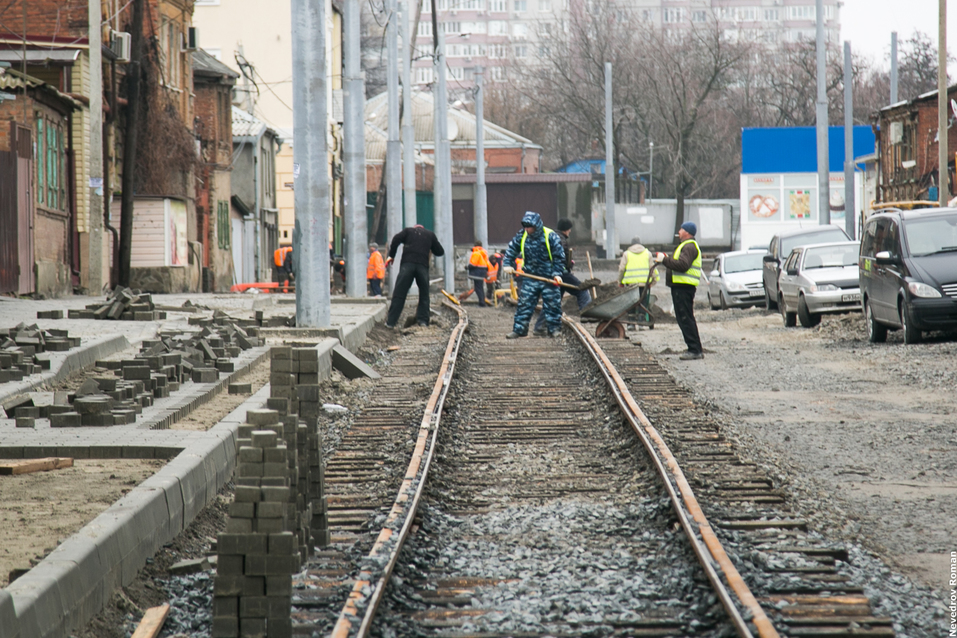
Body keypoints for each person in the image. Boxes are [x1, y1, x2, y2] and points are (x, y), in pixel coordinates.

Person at [502, 211, 565, 338]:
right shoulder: (522, 235)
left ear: (536, 225)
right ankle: (519, 330)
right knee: (524, 303)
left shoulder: (550, 236)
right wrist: (507, 264)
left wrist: (557, 274)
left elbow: (559, 257)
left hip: (549, 278)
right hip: (530, 277)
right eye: (525, 227)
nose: (526, 229)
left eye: (529, 227)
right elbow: (511, 249)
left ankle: (554, 330)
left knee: (552, 305)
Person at [532, 219, 592, 335]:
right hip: (561, 274)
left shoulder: (552, 237)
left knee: (552, 300)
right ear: (566, 229)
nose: (570, 231)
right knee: (582, 289)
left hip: (552, 274)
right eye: (569, 229)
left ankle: (540, 327)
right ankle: (586, 314)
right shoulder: (560, 239)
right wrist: (568, 263)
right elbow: (559, 256)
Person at [655, 221, 704, 360]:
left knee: (685, 318)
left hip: (684, 287)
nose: (679, 231)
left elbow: (683, 265)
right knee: (685, 318)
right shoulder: (686, 246)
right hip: (681, 287)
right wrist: (666, 259)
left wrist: (665, 260)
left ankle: (694, 350)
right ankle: (694, 349)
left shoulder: (689, 246)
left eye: (681, 229)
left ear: (687, 232)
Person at [385, 224, 445, 328]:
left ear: (415, 227)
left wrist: (391, 255)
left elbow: (396, 239)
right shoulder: (430, 235)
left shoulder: (408, 231)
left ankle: (391, 322)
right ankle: (423, 321)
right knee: (424, 295)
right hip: (422, 266)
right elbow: (440, 252)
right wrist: (430, 247)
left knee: (399, 293)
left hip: (407, 265)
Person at [618, 238, 659, 323]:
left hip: (630, 284)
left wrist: (620, 282)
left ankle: (631, 322)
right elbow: (652, 269)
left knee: (631, 302)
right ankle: (641, 322)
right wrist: (653, 281)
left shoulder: (626, 254)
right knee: (643, 302)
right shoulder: (647, 253)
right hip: (644, 284)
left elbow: (621, 269)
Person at [467, 240, 493, 307]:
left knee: (478, 288)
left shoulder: (476, 253)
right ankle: (482, 301)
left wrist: (467, 267)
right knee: (480, 287)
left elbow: (473, 264)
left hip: (477, 272)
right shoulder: (483, 253)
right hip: (482, 271)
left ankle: (482, 303)